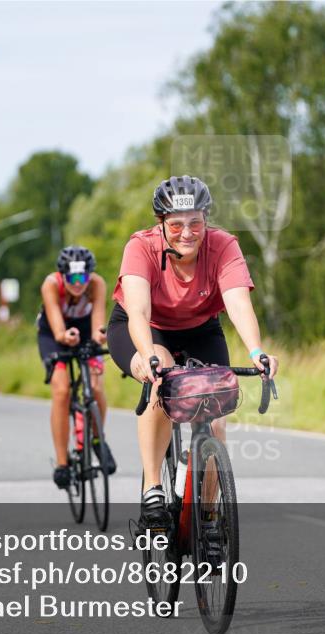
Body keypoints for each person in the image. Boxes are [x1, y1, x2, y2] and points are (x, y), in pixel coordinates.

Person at [106, 175, 279, 530]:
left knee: (215, 419)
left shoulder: (223, 245)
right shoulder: (141, 247)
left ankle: (209, 517)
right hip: (144, 328)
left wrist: (257, 351)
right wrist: (147, 355)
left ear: (207, 220)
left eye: (196, 223)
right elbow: (138, 311)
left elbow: (238, 304)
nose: (187, 232)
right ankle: (153, 486)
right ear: (161, 224)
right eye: (176, 225)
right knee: (163, 374)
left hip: (200, 328)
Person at [37, 245, 116, 489]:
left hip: (83, 330)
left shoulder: (97, 284)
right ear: (62, 275)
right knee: (61, 391)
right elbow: (58, 327)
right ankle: (62, 463)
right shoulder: (50, 285)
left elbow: (97, 323)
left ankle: (97, 440)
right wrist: (63, 337)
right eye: (72, 278)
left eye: (83, 277)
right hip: (53, 332)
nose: (79, 283)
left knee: (96, 385)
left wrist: (98, 338)